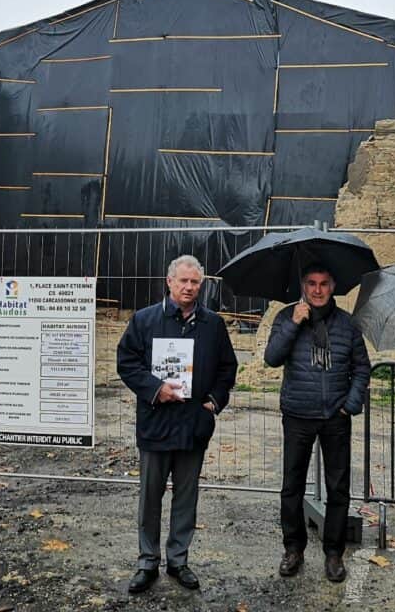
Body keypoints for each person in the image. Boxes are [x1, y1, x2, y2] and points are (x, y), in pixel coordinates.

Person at [117, 255, 238, 594]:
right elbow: (126, 362)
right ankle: (147, 562)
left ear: (202, 285)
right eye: (183, 281)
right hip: (156, 424)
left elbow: (228, 368)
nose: (189, 288)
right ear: (168, 282)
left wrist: (213, 402)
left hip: (193, 427)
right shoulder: (144, 320)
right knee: (150, 499)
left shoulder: (213, 324)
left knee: (186, 499)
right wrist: (155, 389)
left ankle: (179, 561)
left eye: (195, 282)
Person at [264, 264, 371, 583]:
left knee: (338, 487)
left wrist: (349, 405)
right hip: (298, 414)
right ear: (303, 285)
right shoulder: (286, 316)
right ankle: (293, 548)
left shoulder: (347, 324)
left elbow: (362, 368)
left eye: (324, 283)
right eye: (311, 283)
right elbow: (271, 357)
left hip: (334, 417)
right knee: (291, 486)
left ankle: (334, 552)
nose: (318, 289)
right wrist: (294, 324)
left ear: (333, 286)